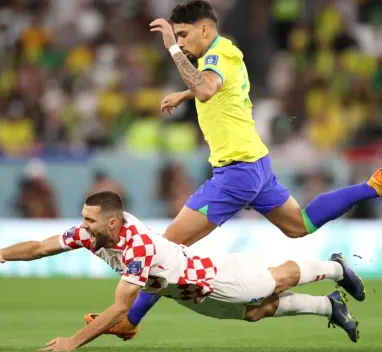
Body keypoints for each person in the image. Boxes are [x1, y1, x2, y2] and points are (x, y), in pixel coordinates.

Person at [86, 0, 381, 339]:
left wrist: (171, 50)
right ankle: (372, 187)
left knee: (162, 249)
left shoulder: (216, 55)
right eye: (177, 37)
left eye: (184, 35)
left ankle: (131, 320)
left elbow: (208, 88)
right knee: (301, 226)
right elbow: (217, 86)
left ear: (205, 30)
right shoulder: (225, 53)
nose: (181, 42)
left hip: (236, 172)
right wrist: (185, 94)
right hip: (255, 163)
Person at [0, 192, 363, 351]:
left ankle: (333, 266)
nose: (82, 227)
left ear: (114, 224)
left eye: (89, 221)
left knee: (275, 280)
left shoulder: (137, 245)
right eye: (82, 220)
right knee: (258, 312)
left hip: (212, 276)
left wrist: (73, 342)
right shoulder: (93, 234)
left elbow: (121, 310)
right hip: (191, 297)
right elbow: (40, 246)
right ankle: (329, 307)